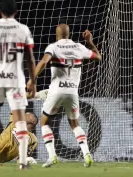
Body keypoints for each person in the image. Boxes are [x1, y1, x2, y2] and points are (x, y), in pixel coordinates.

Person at [28, 24, 101, 168]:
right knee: (75, 125)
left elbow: (43, 62)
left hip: (56, 91)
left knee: (44, 122)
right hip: (72, 92)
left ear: (56, 35)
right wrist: (90, 42)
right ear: (69, 34)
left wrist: (32, 79)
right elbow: (98, 57)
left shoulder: (53, 47)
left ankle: (52, 156)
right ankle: (87, 154)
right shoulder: (79, 47)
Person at [0, 0, 37, 169]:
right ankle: (23, 162)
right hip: (15, 78)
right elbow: (30, 59)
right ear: (16, 12)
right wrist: (33, 80)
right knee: (19, 119)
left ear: (0, 12)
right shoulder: (22, 29)